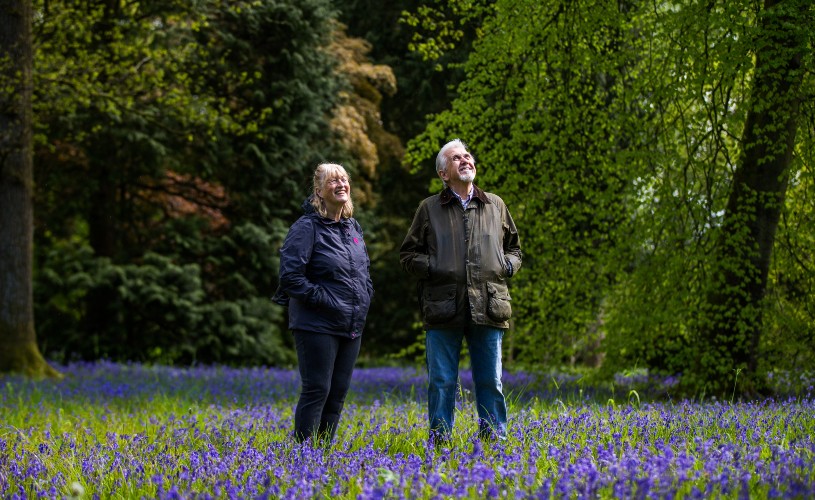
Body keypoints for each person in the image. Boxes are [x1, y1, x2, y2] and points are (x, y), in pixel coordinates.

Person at [400, 139, 522, 444]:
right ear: (444, 173)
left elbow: (515, 250)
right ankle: (440, 442)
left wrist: (506, 266)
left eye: (467, 156)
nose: (465, 160)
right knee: (441, 381)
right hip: (443, 305)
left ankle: (494, 440)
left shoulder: (495, 204)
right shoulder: (429, 208)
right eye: (456, 158)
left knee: (490, 381)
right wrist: (437, 266)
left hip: (489, 304)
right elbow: (408, 255)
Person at [273, 163, 373, 444]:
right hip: (316, 323)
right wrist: (327, 301)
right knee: (317, 389)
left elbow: (363, 272)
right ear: (318, 191)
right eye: (332, 181)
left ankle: (323, 456)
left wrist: (365, 298)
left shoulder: (353, 228)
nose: (341, 184)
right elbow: (291, 278)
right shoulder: (306, 228)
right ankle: (305, 457)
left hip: (351, 324)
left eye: (344, 179)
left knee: (338, 394)